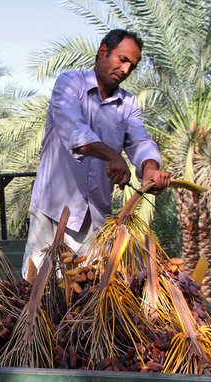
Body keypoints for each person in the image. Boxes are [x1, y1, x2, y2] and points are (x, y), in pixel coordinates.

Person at [21, 29, 170, 278]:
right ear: (103, 52)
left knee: (87, 298)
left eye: (132, 66)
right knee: (37, 293)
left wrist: (150, 168)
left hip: (96, 221)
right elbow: (74, 133)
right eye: (122, 60)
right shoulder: (69, 84)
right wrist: (113, 156)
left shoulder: (128, 104)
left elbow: (140, 141)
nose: (125, 70)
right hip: (51, 212)